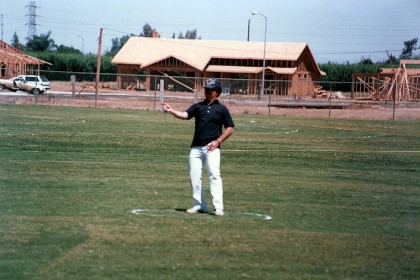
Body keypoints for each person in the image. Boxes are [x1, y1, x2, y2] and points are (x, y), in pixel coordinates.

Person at [162, 78, 235, 216]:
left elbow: (230, 128)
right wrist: (172, 111)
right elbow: (185, 115)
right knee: (194, 176)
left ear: (217, 92)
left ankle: (218, 207)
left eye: (211, 89)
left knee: (214, 175)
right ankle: (199, 205)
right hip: (196, 148)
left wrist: (218, 141)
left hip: (212, 148)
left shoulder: (222, 109)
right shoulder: (198, 107)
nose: (207, 91)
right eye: (206, 88)